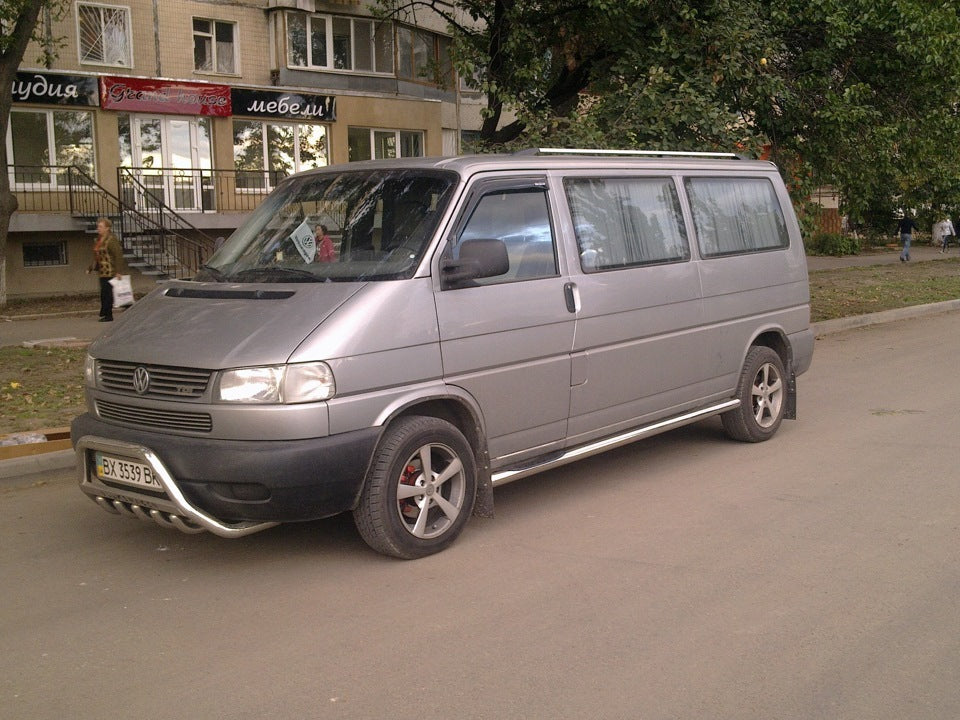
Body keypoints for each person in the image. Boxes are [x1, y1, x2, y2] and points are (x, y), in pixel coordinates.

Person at [87, 217, 127, 322]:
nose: (98, 229)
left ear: (107, 228)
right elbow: (97, 256)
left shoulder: (111, 240)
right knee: (105, 293)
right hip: (102, 271)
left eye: (100, 227)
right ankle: (106, 312)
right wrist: (91, 268)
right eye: (98, 226)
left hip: (111, 271)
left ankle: (108, 315)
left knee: (108, 293)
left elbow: (118, 255)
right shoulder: (99, 240)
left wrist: (118, 271)